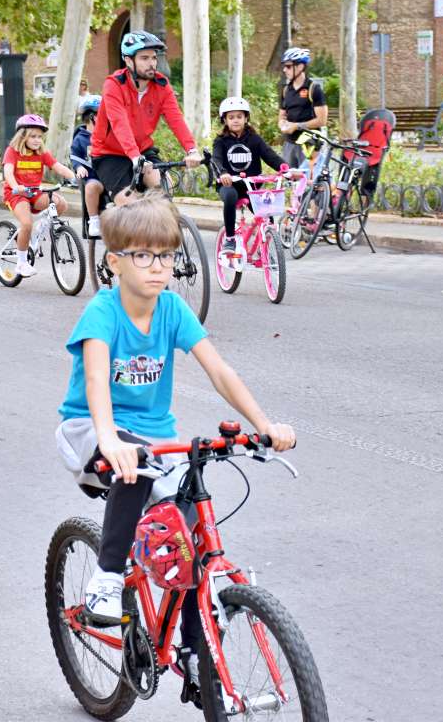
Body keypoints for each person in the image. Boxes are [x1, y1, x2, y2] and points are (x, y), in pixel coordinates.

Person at [54, 197, 296, 681]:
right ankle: (106, 578)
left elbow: (219, 370)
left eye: (165, 255)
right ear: (115, 260)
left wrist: (264, 425)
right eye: (142, 255)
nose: (157, 267)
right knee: (135, 466)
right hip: (90, 430)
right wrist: (110, 440)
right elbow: (98, 381)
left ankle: (192, 649)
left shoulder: (172, 308)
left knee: (190, 539)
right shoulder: (103, 312)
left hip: (156, 438)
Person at [89, 30, 202, 215]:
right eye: (144, 58)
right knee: (134, 210)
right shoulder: (114, 85)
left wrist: (192, 150)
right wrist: (134, 156)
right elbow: (119, 123)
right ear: (128, 60)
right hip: (109, 153)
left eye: (153, 57)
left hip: (142, 149)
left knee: (164, 194)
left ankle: (161, 238)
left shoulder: (161, 85)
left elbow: (176, 119)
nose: (152, 63)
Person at [2, 114, 76, 277]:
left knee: (61, 204)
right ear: (22, 136)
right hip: (16, 194)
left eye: (39, 137)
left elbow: (58, 167)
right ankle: (21, 263)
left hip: (35, 192)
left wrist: (74, 177)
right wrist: (15, 187)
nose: (37, 140)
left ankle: (42, 227)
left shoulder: (42, 153)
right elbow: (8, 172)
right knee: (26, 224)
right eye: (33, 136)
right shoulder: (12, 151)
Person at [212, 97, 284, 254]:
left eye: (239, 116)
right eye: (231, 117)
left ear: (246, 118)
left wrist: (284, 168)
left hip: (251, 187)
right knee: (230, 197)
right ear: (225, 120)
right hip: (229, 185)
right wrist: (223, 173)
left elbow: (269, 155)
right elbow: (216, 159)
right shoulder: (221, 141)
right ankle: (230, 239)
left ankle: (264, 247)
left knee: (267, 214)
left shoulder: (254, 139)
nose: (236, 120)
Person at [276, 47, 327, 169]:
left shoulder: (314, 89)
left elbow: (322, 121)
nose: (284, 70)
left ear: (300, 67)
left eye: (288, 66)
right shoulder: (286, 90)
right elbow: (281, 116)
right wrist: (282, 124)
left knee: (310, 183)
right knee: (290, 181)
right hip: (289, 143)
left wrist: (296, 126)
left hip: (309, 145)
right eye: (284, 66)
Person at [71, 97, 103, 236]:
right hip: (95, 178)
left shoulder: (109, 135)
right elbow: (74, 156)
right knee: (91, 187)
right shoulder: (80, 138)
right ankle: (94, 220)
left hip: (113, 176)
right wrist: (79, 167)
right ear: (91, 116)